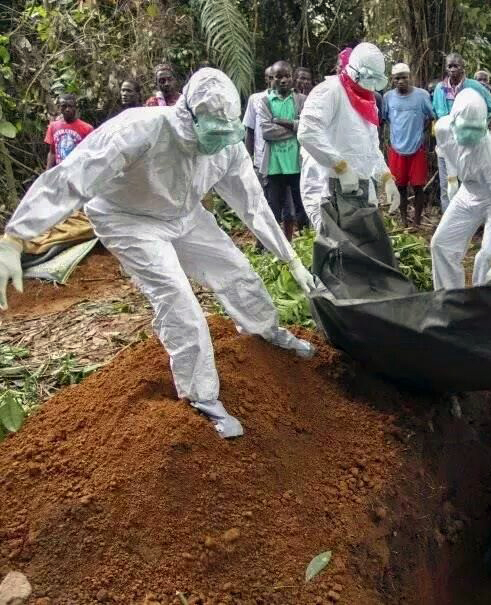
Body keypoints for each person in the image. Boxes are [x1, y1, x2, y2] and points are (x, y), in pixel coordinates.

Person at [0, 68, 317, 439]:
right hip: (127, 219)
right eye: (211, 132)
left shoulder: (226, 145)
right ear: (189, 114)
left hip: (185, 215)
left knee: (236, 271)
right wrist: (16, 237)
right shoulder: (140, 129)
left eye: (224, 133)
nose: (217, 141)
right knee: (177, 297)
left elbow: (253, 205)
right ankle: (202, 397)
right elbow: (72, 177)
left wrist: (290, 259)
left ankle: (266, 331)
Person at [431, 88, 491, 290]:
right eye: (465, 128)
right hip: (470, 189)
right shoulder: (442, 128)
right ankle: (449, 300)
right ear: (453, 120)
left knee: (487, 260)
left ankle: (481, 307)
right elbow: (447, 152)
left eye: (476, 130)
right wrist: (451, 180)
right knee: (441, 244)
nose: (469, 136)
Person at [298, 42, 400, 215]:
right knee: (334, 239)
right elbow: (308, 132)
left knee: (362, 239)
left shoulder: (369, 101)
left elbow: (371, 147)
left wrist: (386, 177)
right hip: (329, 184)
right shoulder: (329, 91)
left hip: (360, 185)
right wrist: (340, 166)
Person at [432, 53, 491, 213]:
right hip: (446, 147)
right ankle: (449, 225)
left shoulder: (473, 86)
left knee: (468, 185)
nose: (453, 69)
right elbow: (435, 113)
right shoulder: (440, 89)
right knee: (447, 185)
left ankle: (468, 223)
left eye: (456, 66)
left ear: (463, 68)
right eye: (450, 66)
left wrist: (478, 124)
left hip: (468, 146)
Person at [257, 60, 308, 240]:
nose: (284, 80)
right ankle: (272, 248)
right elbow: (266, 132)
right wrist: (294, 127)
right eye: (279, 77)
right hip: (274, 166)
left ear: (292, 78)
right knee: (273, 212)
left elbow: (306, 127)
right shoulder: (264, 101)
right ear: (273, 79)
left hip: (297, 165)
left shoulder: (302, 100)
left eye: (287, 76)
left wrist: (279, 121)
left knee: (302, 209)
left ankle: (306, 244)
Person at [383, 63, 435, 227]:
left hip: (417, 149)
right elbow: (385, 118)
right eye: (397, 78)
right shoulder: (388, 97)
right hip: (396, 149)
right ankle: (405, 220)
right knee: (400, 187)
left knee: (418, 186)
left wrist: (420, 133)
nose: (401, 81)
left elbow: (431, 116)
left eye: (404, 77)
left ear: (410, 77)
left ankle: (417, 222)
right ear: (393, 79)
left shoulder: (422, 95)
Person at [45, 93, 94, 170]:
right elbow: (52, 152)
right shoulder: (53, 126)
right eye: (64, 106)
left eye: (70, 106)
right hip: (60, 172)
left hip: (78, 171)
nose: (67, 109)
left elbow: (90, 153)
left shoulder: (87, 128)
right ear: (59, 108)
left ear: (75, 108)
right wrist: (47, 174)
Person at [244, 65, 275, 173]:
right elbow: (250, 130)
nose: (275, 80)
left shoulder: (291, 100)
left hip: (284, 160)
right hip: (260, 160)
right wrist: (248, 160)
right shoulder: (255, 99)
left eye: (278, 77)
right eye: (271, 77)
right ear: (266, 79)